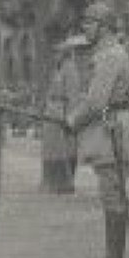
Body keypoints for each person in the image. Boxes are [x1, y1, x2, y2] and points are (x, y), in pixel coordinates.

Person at [65, 1, 129, 258]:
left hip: (114, 128)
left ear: (105, 27)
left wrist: (72, 121)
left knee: (113, 194)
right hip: (109, 125)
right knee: (110, 194)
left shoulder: (111, 55)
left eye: (89, 23)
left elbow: (96, 101)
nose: (85, 28)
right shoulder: (106, 54)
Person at [41, 34, 84, 193]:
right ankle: (52, 181)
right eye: (54, 52)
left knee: (65, 149)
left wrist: (70, 117)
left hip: (63, 112)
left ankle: (66, 182)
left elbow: (73, 95)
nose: (55, 55)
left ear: (65, 53)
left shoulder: (70, 68)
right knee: (52, 149)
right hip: (52, 113)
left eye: (58, 51)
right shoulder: (56, 69)